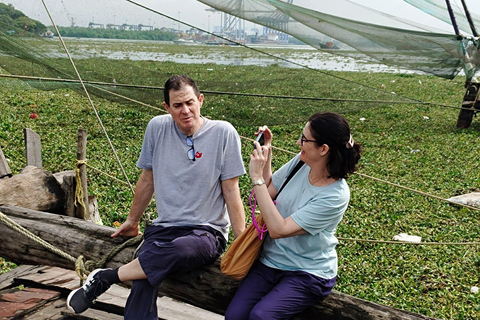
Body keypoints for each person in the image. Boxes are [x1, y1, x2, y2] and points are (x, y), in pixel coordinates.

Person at [67, 74, 246, 319]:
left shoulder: (224, 132)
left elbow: (231, 190)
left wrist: (241, 241)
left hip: (205, 232)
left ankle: (106, 277)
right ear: (166, 107)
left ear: (201, 100)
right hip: (164, 228)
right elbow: (147, 179)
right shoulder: (157, 127)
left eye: (190, 102)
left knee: (180, 250)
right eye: (177, 105)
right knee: (143, 278)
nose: (185, 110)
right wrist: (132, 220)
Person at [225, 112, 361, 320]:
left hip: (308, 272)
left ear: (323, 149)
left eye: (305, 139)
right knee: (234, 316)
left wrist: (255, 178)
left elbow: (279, 229)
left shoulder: (335, 195)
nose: (299, 142)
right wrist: (266, 153)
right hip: (270, 261)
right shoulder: (300, 162)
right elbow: (269, 191)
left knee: (261, 317)